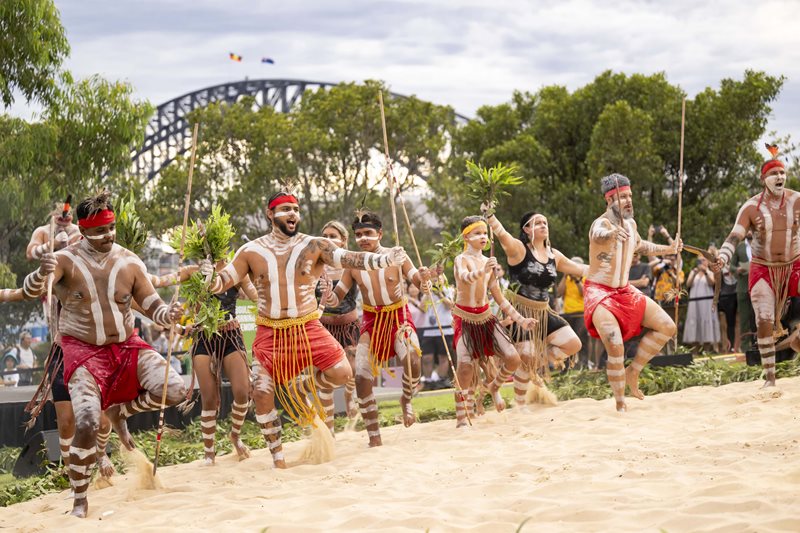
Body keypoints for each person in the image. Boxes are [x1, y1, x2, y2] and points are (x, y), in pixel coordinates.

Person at [20, 191, 187, 517]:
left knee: (176, 388)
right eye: (98, 231)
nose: (107, 236)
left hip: (126, 348)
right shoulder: (66, 260)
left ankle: (120, 411)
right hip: (83, 352)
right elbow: (32, 289)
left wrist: (171, 314)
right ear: (83, 231)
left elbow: (154, 308)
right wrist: (43, 271)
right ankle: (80, 499)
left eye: (110, 228)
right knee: (84, 422)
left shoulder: (130, 261)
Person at [206, 193, 408, 464]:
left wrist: (384, 259)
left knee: (342, 373)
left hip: (308, 327)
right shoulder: (250, 251)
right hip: (270, 332)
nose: (293, 214)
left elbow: (350, 258)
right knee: (263, 393)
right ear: (270, 214)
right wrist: (208, 278)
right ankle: (278, 459)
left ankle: (304, 385)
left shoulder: (314, 245)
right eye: (286, 209)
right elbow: (224, 282)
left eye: (296, 209)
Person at [327, 210, 429, 447]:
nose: (363, 238)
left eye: (368, 233)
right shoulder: (353, 263)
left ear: (380, 233)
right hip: (372, 322)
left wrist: (425, 278)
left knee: (413, 361)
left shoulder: (397, 255)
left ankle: (406, 399)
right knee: (362, 377)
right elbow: (338, 295)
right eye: (359, 234)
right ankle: (374, 437)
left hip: (398, 317)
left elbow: (417, 281)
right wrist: (328, 297)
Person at [583, 173, 680, 412]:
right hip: (600, 293)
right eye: (622, 197)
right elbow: (598, 235)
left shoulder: (631, 224)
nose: (628, 201)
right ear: (609, 200)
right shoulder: (602, 224)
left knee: (668, 327)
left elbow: (641, 245)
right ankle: (620, 403)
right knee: (615, 345)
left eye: (629, 196)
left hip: (625, 290)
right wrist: (613, 234)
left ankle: (633, 371)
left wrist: (669, 248)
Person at [712, 146, 800, 387]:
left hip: (794, 265)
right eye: (774, 174)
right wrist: (723, 257)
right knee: (763, 319)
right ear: (763, 179)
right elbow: (734, 237)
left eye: (782, 173)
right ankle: (770, 378)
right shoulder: (751, 207)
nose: (780, 177)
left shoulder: (797, 200)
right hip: (763, 268)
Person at [485, 209, 587, 407]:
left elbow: (582, 269)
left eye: (545, 223)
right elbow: (503, 235)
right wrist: (491, 216)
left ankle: (533, 368)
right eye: (537, 223)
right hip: (519, 311)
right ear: (527, 229)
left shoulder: (554, 255)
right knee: (528, 354)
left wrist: (610, 267)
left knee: (573, 344)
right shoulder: (519, 249)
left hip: (544, 311)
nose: (543, 225)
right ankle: (520, 405)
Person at [451, 216, 534, 427]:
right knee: (465, 368)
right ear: (466, 237)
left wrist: (521, 320)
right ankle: (462, 417)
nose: (483, 237)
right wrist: (485, 269)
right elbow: (465, 277)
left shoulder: (489, 263)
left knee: (513, 358)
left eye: (485, 233)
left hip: (487, 317)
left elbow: (499, 297)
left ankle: (495, 386)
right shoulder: (462, 259)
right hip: (465, 319)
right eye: (477, 233)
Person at [188, 261, 257, 465]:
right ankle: (209, 452)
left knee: (243, 393)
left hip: (231, 335)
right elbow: (165, 284)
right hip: (204, 337)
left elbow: (257, 297)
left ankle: (235, 435)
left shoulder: (237, 271)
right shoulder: (194, 271)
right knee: (209, 398)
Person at [317, 221, 362, 420]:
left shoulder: (350, 264)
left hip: (348, 325)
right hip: (324, 326)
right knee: (326, 374)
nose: (328, 239)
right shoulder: (315, 267)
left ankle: (349, 396)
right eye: (324, 235)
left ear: (343, 241)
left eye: (333, 235)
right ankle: (329, 425)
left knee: (352, 368)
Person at [683, 257, 720, 352]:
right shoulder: (693, 272)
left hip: (706, 302)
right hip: (694, 302)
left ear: (707, 262)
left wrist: (705, 272)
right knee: (694, 322)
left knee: (707, 321)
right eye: (699, 260)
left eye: (703, 260)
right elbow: (688, 284)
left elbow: (712, 283)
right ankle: (695, 349)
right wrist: (695, 272)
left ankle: (707, 349)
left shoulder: (710, 272)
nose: (701, 262)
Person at [557, 257, 588, 367]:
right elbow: (559, 293)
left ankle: (583, 363)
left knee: (581, 337)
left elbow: (584, 293)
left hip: (581, 313)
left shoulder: (585, 278)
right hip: (567, 313)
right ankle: (567, 365)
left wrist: (577, 280)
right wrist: (565, 277)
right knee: (567, 340)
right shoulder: (567, 279)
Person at [730, 232, 755, 352]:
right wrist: (737, 269)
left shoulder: (760, 244)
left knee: (757, 317)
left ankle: (758, 343)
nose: (750, 232)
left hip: (757, 287)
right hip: (742, 287)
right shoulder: (739, 247)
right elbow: (731, 266)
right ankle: (745, 347)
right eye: (748, 230)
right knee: (744, 318)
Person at [717, 261, 738, 352]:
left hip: (736, 294)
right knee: (723, 324)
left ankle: (736, 346)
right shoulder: (720, 266)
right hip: (724, 296)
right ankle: (725, 346)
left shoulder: (737, 263)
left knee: (737, 322)